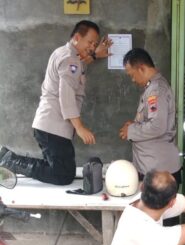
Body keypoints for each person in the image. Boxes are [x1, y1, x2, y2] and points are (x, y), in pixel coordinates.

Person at [0, 20, 112, 185]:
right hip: (53, 128)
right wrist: (80, 128)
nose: (92, 46)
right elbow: (66, 96)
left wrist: (95, 55)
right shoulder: (69, 59)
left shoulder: (67, 55)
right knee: (63, 175)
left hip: (53, 127)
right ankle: (10, 161)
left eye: (95, 44)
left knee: (62, 171)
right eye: (90, 42)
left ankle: (8, 159)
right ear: (76, 37)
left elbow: (79, 66)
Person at [119, 48, 182, 245]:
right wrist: (133, 126)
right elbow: (150, 120)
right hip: (155, 164)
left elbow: (157, 125)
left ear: (142, 67)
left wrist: (131, 131)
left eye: (131, 74)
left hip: (159, 168)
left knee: (163, 220)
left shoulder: (156, 89)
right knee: (160, 219)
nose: (132, 79)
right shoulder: (152, 88)